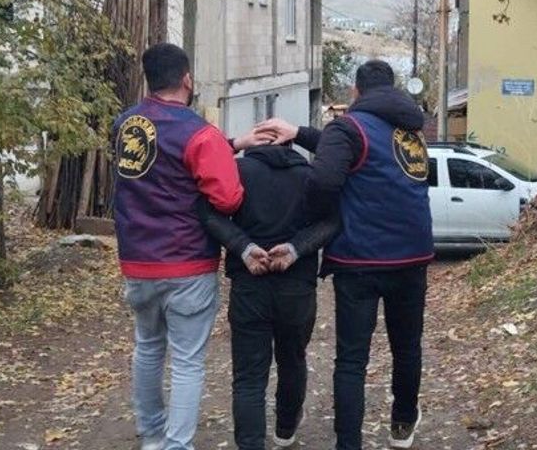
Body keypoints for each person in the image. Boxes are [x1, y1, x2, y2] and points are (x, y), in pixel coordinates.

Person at [256, 60, 432, 450]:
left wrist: (313, 220)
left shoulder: (348, 127)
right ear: (392, 90)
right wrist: (299, 133)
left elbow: (325, 176)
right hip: (413, 257)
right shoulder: (411, 133)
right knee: (407, 347)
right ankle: (403, 423)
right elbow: (358, 153)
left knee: (352, 360)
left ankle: (348, 444)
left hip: (360, 260)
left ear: (356, 91)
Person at [112, 42, 264, 450]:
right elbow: (227, 199)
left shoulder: (125, 125)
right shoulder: (199, 133)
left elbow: (167, 158)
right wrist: (228, 156)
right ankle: (177, 445)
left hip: (137, 261)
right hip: (186, 263)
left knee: (147, 348)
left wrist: (232, 144)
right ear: (187, 80)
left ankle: (151, 437)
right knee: (186, 361)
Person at [197, 140, 341, 450]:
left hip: (250, 283)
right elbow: (331, 221)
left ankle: (250, 443)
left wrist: (243, 247)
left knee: (248, 376)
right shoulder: (309, 176)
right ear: (290, 144)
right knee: (293, 360)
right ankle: (286, 429)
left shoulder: (238, 171)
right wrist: (296, 248)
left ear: (255, 145)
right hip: (297, 287)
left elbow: (208, 214)